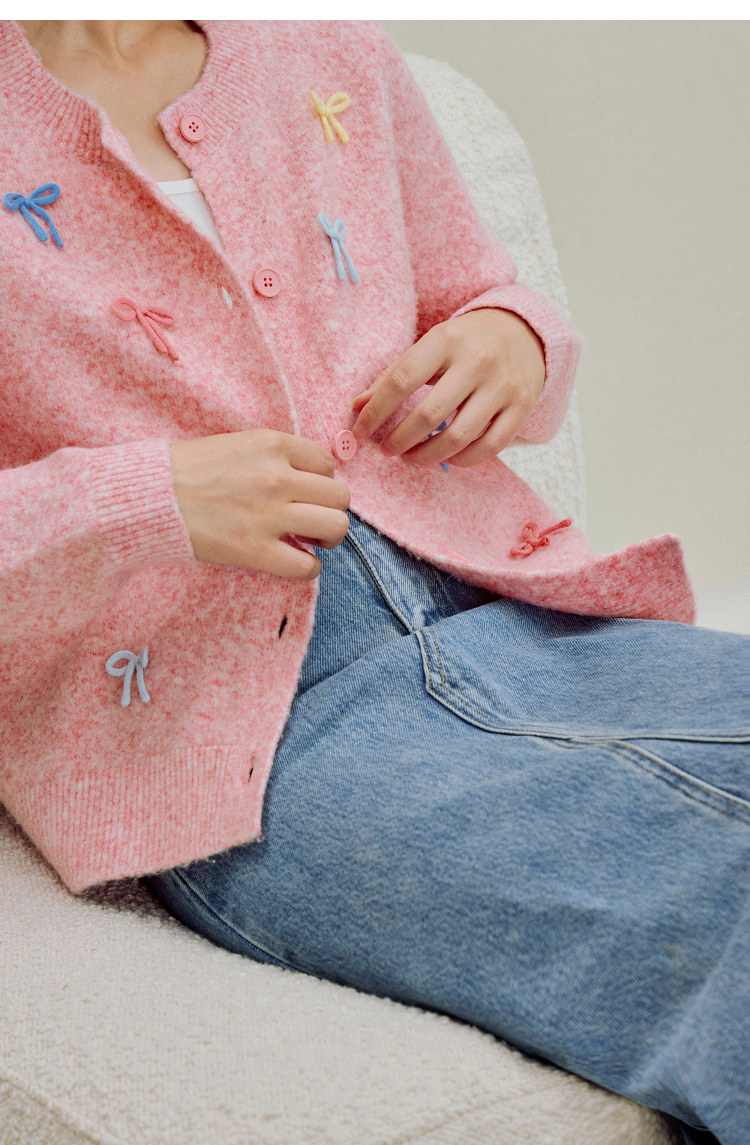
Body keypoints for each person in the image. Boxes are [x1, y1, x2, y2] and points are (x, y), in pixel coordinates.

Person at [1, 19, 746, 1145]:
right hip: (238, 745)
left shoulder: (328, 54)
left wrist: (511, 340)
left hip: (519, 615)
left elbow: (483, 295)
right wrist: (146, 501)